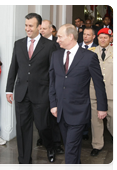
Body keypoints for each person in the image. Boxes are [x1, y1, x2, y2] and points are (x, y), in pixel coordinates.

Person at [49, 24, 108, 170]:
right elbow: (52, 82)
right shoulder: (56, 55)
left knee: (70, 149)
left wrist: (102, 108)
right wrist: (53, 104)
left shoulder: (89, 57)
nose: (57, 40)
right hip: (61, 111)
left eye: (60, 37)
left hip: (79, 111)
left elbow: (99, 84)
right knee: (71, 148)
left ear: (70, 36)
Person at [6, 13, 56, 170]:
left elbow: (53, 71)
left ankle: (50, 145)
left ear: (39, 27)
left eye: (31, 26)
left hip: (41, 93)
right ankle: (25, 164)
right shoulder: (18, 44)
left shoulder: (49, 45)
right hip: (21, 93)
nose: (27, 28)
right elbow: (14, 66)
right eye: (26, 25)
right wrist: (9, 89)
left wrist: (53, 94)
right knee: (22, 129)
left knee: (43, 127)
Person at [89, 28, 115, 156]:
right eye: (100, 37)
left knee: (113, 119)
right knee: (96, 121)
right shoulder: (90, 52)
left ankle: (114, 134)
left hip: (112, 91)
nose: (103, 40)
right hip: (94, 92)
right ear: (97, 38)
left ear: (111, 39)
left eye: (106, 37)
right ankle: (97, 145)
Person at [39, 19, 64, 153]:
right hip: (40, 87)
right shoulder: (36, 43)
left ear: (51, 30)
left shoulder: (58, 43)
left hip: (54, 85)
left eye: (44, 28)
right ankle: (43, 139)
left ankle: (56, 143)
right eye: (40, 28)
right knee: (41, 116)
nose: (41, 31)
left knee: (55, 116)